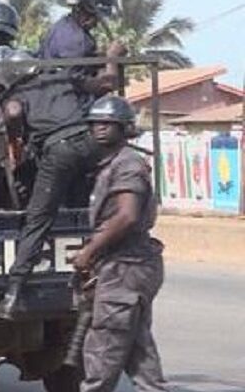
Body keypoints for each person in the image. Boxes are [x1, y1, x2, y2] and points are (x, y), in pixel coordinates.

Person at [0, 58, 103, 320]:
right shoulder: (60, 77)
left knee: (38, 219)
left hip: (60, 149)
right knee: (88, 211)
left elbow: (13, 113)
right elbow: (98, 86)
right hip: (90, 142)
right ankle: (94, 274)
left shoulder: (16, 92)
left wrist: (14, 135)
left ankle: (13, 294)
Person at [74, 96, 167, 392]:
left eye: (108, 124)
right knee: (138, 352)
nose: (100, 129)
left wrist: (89, 251)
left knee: (104, 349)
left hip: (126, 265)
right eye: (95, 123)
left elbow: (127, 215)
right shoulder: (112, 163)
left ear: (125, 128)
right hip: (127, 265)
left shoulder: (127, 164)